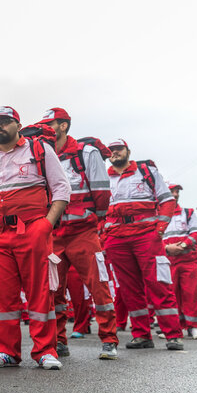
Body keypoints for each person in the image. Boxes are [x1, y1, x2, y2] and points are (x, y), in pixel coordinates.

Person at [0, 106, 70, 369]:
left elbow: (61, 188)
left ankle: (45, 351)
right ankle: (5, 351)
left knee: (40, 291)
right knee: (1, 295)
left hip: (32, 231)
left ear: (18, 124)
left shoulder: (39, 150)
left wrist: (46, 225)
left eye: (4, 122)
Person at [36, 108, 120, 359]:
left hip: (84, 233)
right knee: (54, 290)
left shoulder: (87, 152)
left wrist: (95, 220)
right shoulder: (42, 155)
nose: (45, 129)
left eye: (49, 124)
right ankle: (59, 341)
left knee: (99, 286)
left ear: (63, 126)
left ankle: (109, 340)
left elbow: (102, 193)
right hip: (55, 235)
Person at [103, 140, 184, 349]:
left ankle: (173, 335)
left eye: (119, 149)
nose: (115, 153)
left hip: (146, 238)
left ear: (128, 152)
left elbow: (167, 201)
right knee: (129, 289)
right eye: (111, 151)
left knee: (159, 284)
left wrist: (159, 231)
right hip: (117, 239)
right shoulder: (104, 177)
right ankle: (142, 335)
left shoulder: (146, 171)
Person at [163, 183, 197, 339]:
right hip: (167, 261)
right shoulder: (157, 214)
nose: (175, 194)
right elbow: (153, 237)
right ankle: (176, 328)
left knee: (192, 293)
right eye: (171, 191)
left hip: (188, 260)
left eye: (177, 192)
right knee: (171, 295)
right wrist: (167, 247)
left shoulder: (188, 213)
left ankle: (195, 327)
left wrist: (181, 245)